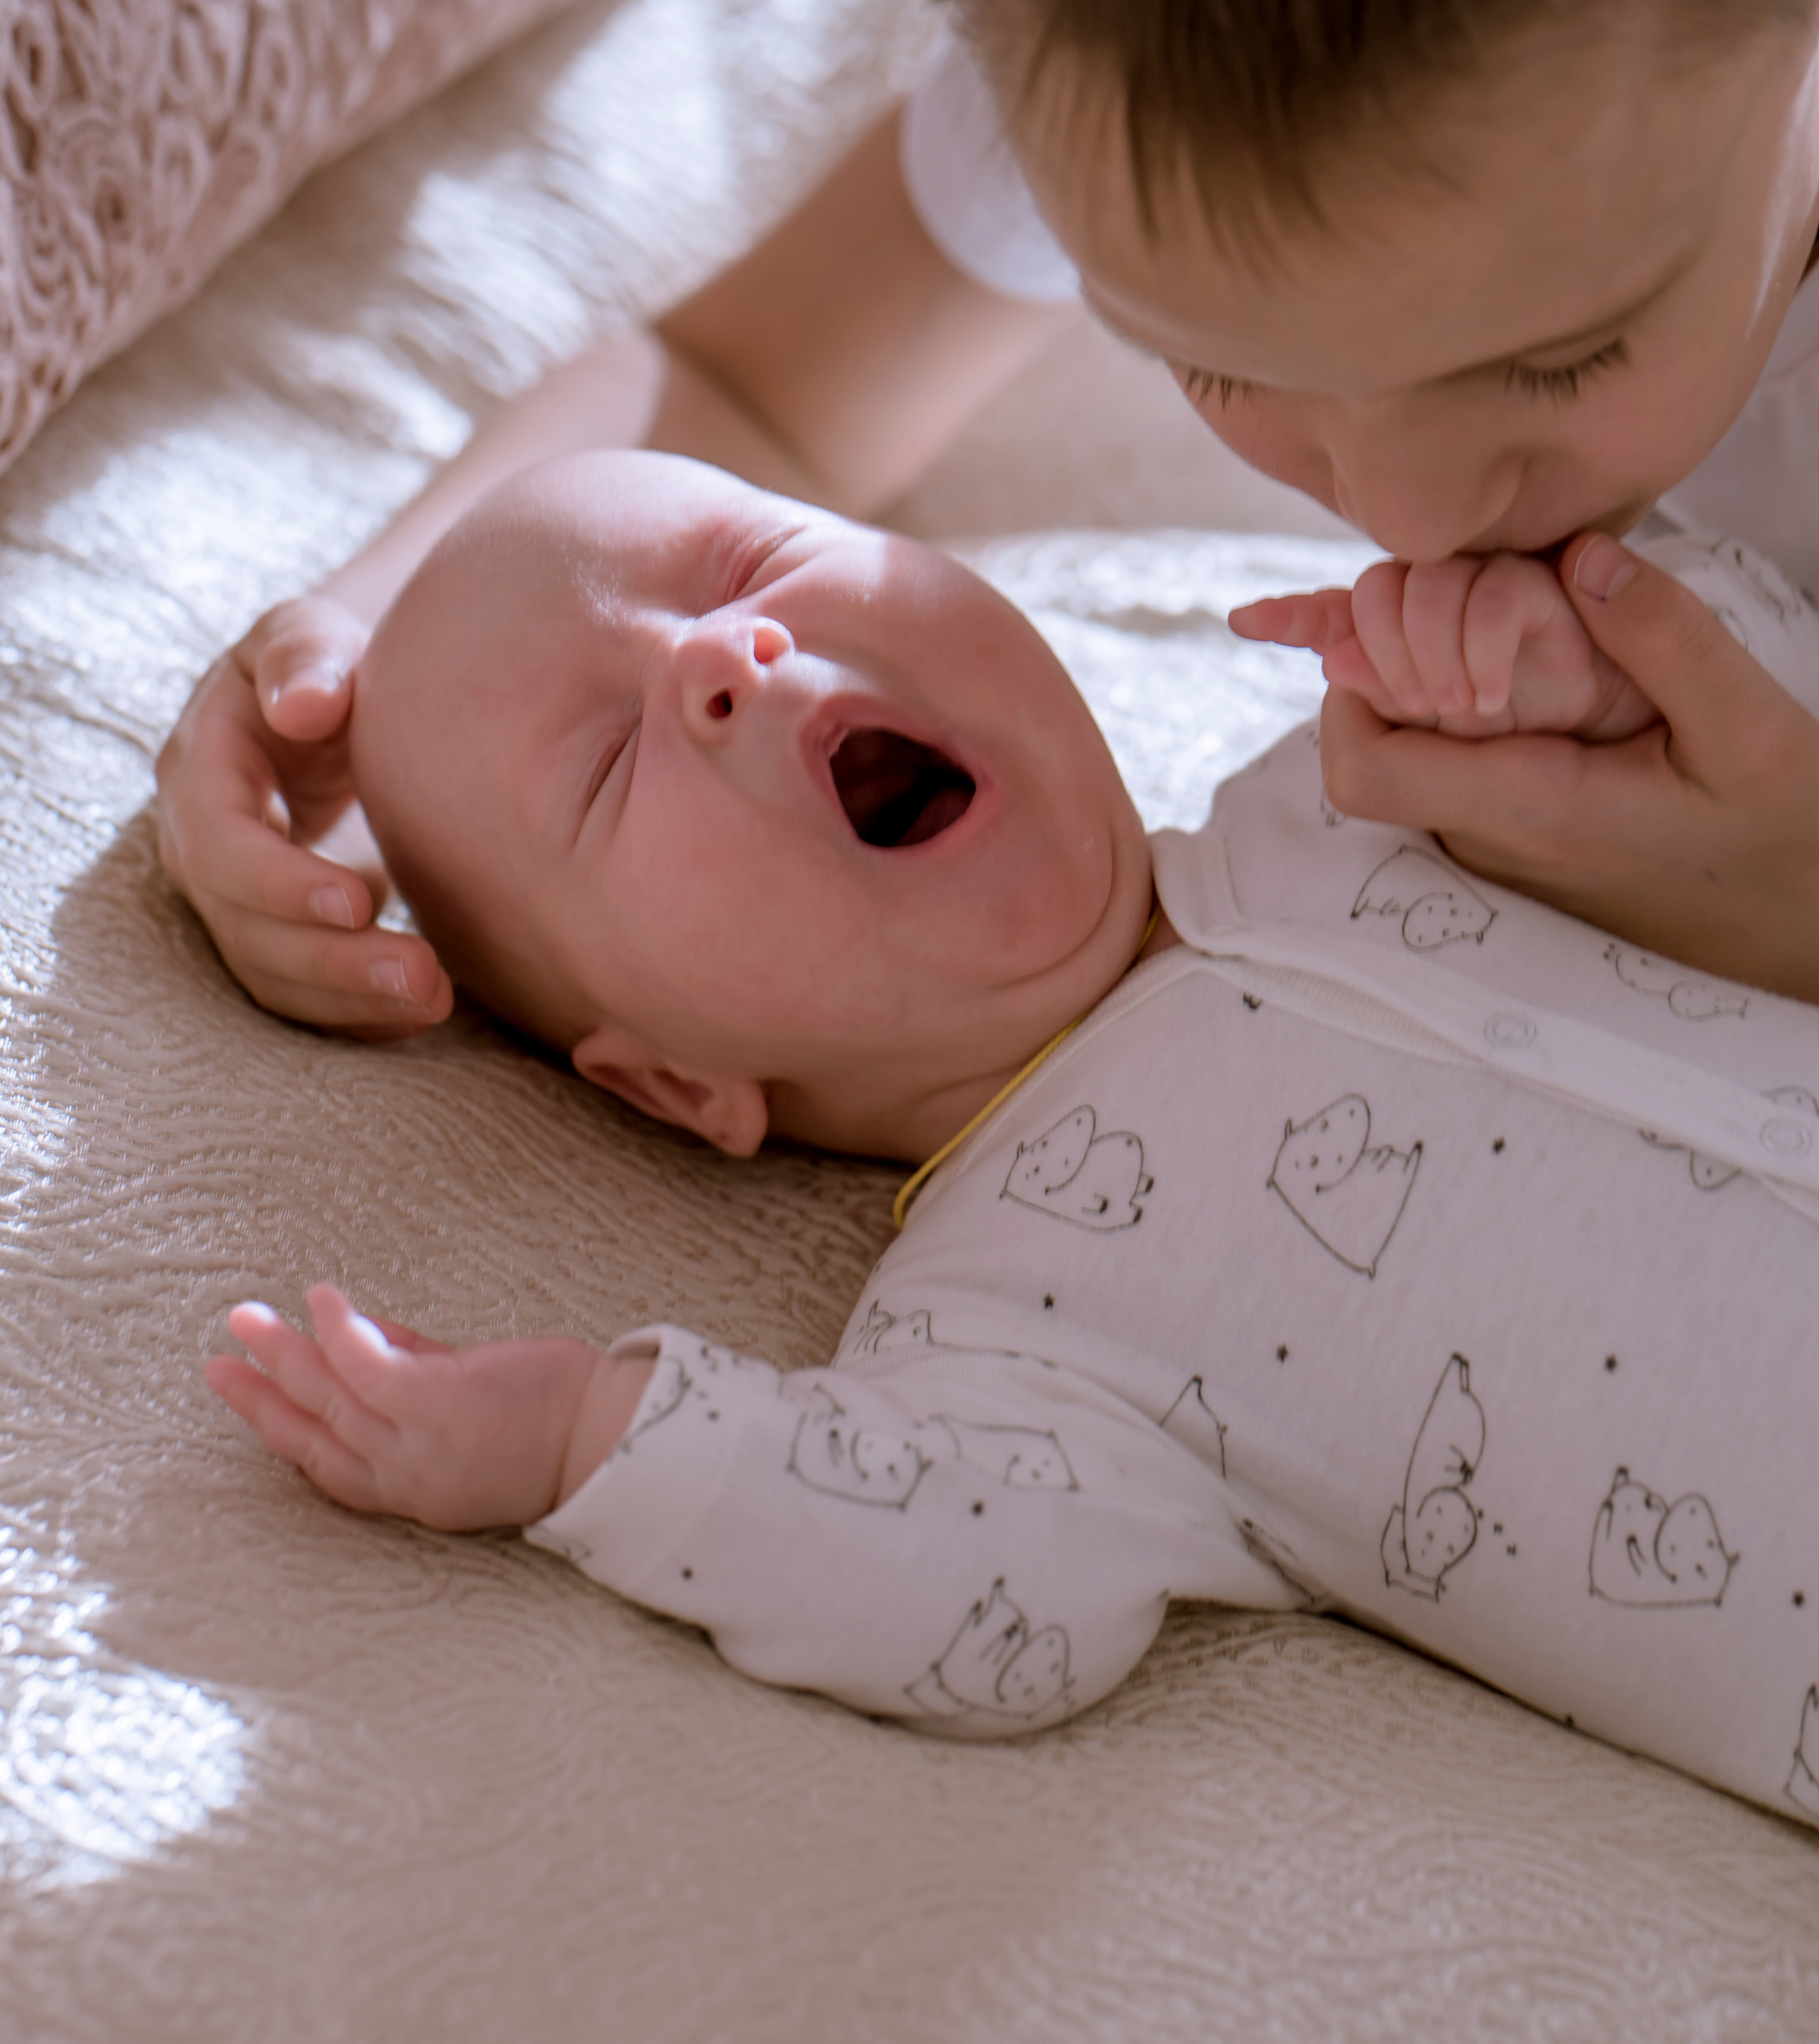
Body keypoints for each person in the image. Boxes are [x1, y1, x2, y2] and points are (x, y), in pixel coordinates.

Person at [207, 450, 1819, 1822]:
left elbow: (1750, 688)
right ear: (679, 1086)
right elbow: (965, 1593)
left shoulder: (1380, 775)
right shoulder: (1001, 1334)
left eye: (754, 561)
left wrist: (1581, 666)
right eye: (609, 765)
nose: (722, 654)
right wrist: (584, 1437)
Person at [155, 0, 1819, 1031]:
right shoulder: (1138, 35)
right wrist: (361, 667)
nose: (1405, 510)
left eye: (1559, 357)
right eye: (1209, 362)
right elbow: (748, 383)